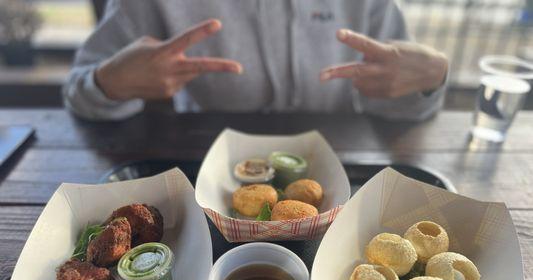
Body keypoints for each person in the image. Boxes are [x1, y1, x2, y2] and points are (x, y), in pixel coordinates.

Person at [63, 0, 448, 121]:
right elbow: (77, 91)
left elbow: (405, 99)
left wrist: (428, 80)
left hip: (344, 173)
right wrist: (108, 83)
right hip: (204, 175)